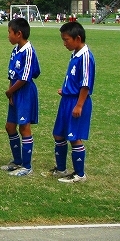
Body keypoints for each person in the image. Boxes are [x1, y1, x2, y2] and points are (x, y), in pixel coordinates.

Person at [50, 22, 94, 183]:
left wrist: (79, 104)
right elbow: (76, 79)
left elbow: (86, 84)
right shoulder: (75, 54)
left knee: (74, 137)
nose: (64, 43)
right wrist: (66, 89)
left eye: (66, 40)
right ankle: (61, 169)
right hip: (67, 100)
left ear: (78, 38)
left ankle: (79, 174)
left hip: (76, 102)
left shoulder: (86, 56)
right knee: (58, 134)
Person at [2, 18, 40, 177]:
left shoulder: (28, 50)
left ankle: (27, 166)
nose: (8, 36)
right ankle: (17, 161)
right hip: (15, 91)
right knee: (10, 127)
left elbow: (26, 77)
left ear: (19, 34)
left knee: (24, 127)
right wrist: (11, 91)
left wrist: (11, 91)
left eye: (9, 33)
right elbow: (13, 73)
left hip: (24, 91)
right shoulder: (16, 49)